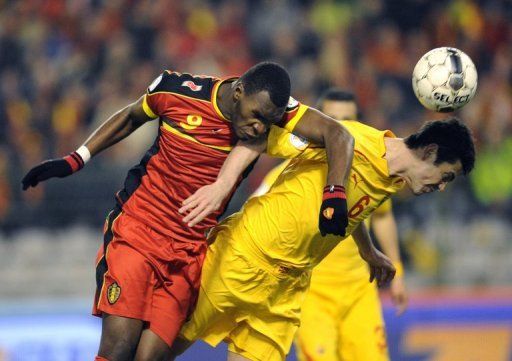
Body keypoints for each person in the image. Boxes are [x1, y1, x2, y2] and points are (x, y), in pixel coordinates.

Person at [21, 62, 355, 361]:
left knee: (152, 357)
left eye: (267, 122)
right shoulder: (177, 90)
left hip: (188, 252)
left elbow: (339, 134)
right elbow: (132, 115)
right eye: (255, 116)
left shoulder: (274, 112)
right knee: (118, 347)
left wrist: (335, 192)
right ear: (238, 92)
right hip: (138, 232)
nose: (258, 128)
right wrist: (76, 158)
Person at [170, 116, 476, 361]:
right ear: (430, 151)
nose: (442, 186)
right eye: (446, 176)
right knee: (164, 346)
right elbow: (262, 138)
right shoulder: (345, 139)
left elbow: (348, 210)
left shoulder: (394, 180)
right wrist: (222, 185)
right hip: (244, 257)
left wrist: (367, 251)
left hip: (286, 287)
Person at [254, 88, 408, 361]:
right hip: (311, 294)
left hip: (360, 291)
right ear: (317, 122)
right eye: (333, 120)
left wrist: (398, 272)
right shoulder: (286, 176)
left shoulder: (372, 174)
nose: (341, 129)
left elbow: (383, 217)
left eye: (348, 120)